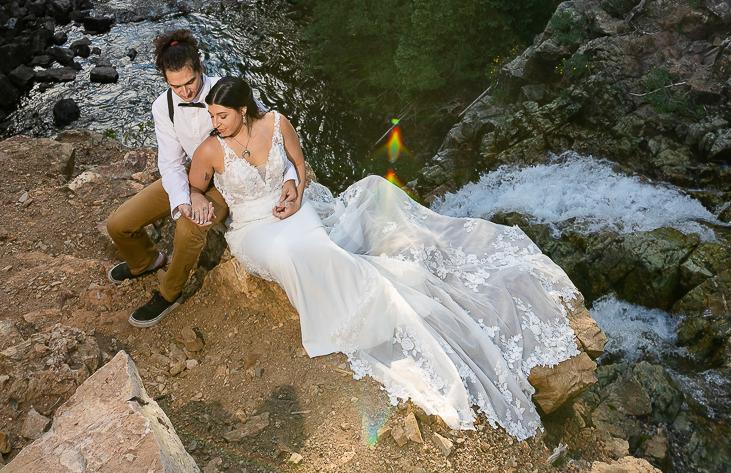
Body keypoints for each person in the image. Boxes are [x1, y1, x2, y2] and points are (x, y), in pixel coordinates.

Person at [190, 76, 587, 439]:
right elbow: (194, 188)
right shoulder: (210, 148)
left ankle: (377, 304)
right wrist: (200, 203)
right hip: (252, 229)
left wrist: (295, 187)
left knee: (321, 248)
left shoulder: (276, 123)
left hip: (292, 209)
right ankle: (332, 324)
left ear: (244, 110)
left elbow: (298, 163)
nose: (216, 121)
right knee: (287, 254)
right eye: (212, 115)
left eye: (222, 115)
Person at [106, 32, 297, 327]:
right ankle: (146, 261)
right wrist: (184, 198)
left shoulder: (229, 91)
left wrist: (289, 175)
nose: (184, 92)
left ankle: (170, 293)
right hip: (188, 174)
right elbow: (170, 163)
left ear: (201, 67)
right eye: (175, 86)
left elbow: (267, 138)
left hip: (225, 178)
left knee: (190, 229)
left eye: (190, 83)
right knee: (119, 224)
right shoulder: (163, 107)